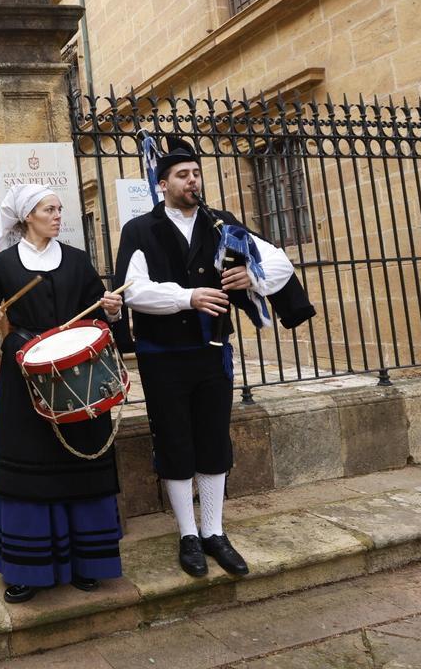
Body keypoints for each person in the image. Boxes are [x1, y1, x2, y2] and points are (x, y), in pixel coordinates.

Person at [114, 137, 312, 579]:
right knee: (175, 441)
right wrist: (187, 298)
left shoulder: (221, 224)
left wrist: (250, 276)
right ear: (162, 183)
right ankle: (188, 534)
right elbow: (133, 290)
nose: (193, 181)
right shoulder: (140, 229)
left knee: (213, 440)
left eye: (196, 173)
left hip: (212, 353)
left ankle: (214, 531)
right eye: (182, 175)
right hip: (162, 356)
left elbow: (279, 263)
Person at [0, 184, 126, 604]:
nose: (57, 216)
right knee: (30, 467)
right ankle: (28, 568)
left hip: (78, 372)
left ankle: (88, 561)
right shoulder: (4, 263)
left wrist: (111, 309)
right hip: (25, 374)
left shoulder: (77, 259)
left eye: (58, 209)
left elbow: (98, 309)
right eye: (49, 209)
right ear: (27, 217)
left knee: (81, 460)